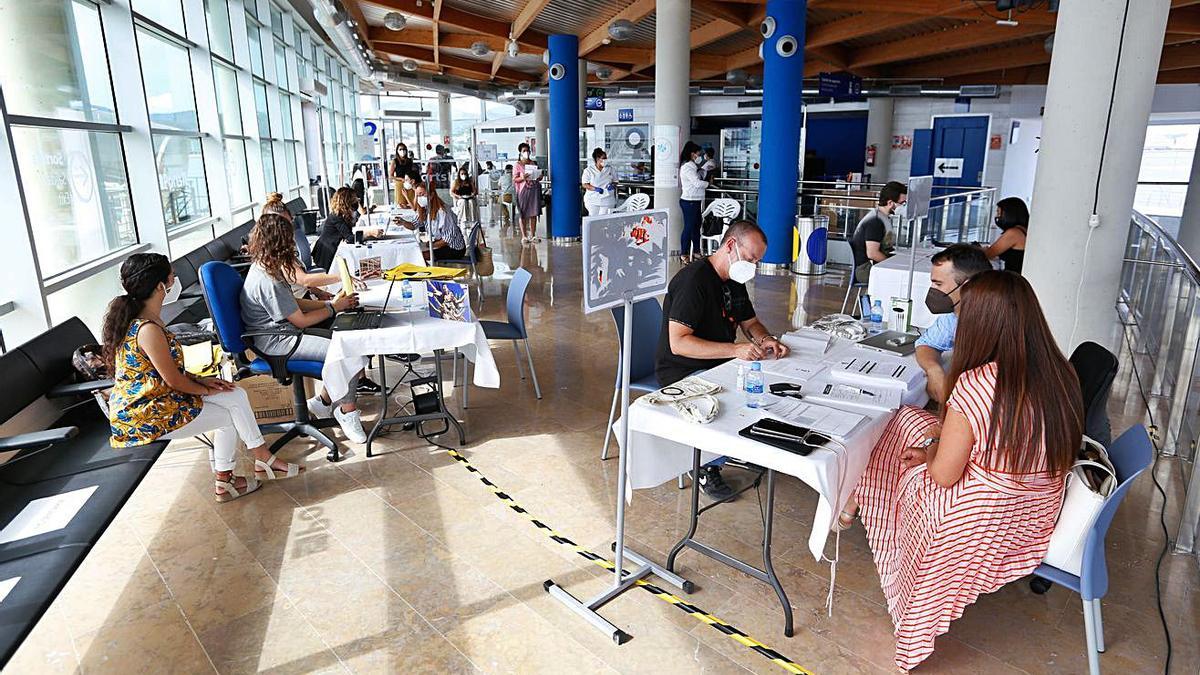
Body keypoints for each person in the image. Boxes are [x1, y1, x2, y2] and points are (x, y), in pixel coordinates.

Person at [839, 270, 1082, 671]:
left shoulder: (978, 382)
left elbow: (944, 477)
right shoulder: (1061, 372)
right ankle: (854, 503)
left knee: (900, 445)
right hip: (1034, 511)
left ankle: (861, 507)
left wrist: (933, 448)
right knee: (909, 422)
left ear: (981, 322)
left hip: (981, 518)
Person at [103, 253, 303, 503]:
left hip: (157, 402)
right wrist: (207, 390)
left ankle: (248, 467)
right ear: (160, 286)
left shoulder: (145, 321)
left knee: (234, 394)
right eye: (171, 275)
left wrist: (203, 380)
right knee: (230, 412)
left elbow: (162, 372)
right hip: (143, 416)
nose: (174, 278)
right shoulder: (147, 329)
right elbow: (173, 380)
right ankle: (240, 472)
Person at [655, 221, 791, 499]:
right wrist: (734, 350)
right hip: (683, 370)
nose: (752, 266)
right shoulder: (693, 281)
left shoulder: (733, 280)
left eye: (757, 261)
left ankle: (736, 446)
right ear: (730, 246)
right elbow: (678, 343)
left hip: (718, 363)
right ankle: (706, 467)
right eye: (751, 258)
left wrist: (765, 340)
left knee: (763, 384)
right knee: (731, 397)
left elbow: (750, 322)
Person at [241, 213, 370, 443]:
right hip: (277, 342)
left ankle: (322, 402)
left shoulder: (265, 267)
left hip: (283, 333)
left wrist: (330, 303)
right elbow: (300, 320)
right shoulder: (267, 280)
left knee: (347, 340)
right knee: (346, 350)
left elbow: (292, 304)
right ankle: (346, 412)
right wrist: (333, 308)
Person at [913, 244, 992, 403]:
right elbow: (927, 344)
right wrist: (933, 369)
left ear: (967, 286)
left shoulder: (997, 320)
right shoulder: (952, 316)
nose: (932, 289)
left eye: (938, 284)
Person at [310, 187, 382, 272]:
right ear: (347, 201)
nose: (357, 201)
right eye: (354, 199)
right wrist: (368, 233)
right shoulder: (336, 217)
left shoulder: (343, 215)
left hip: (332, 248)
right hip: (327, 254)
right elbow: (350, 238)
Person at [850, 180, 906, 283]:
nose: (903, 206)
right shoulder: (875, 221)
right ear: (890, 203)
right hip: (864, 270)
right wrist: (892, 265)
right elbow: (872, 253)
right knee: (902, 278)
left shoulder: (882, 217)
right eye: (902, 203)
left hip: (870, 266)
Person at [399, 183, 467, 262]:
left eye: (422, 194)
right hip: (440, 244)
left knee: (419, 256)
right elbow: (413, 225)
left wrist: (431, 245)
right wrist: (403, 222)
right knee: (415, 252)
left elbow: (447, 239)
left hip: (454, 248)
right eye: (417, 195)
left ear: (431, 195)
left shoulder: (443, 212)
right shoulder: (425, 209)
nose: (419, 198)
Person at [678, 140, 709, 263]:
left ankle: (696, 251)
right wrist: (708, 184)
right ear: (692, 154)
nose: (699, 156)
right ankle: (684, 253)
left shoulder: (692, 166)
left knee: (696, 227)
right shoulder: (687, 167)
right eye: (698, 153)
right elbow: (696, 183)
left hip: (695, 200)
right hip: (689, 201)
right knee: (689, 227)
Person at [984, 196, 1028, 274]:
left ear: (1009, 214)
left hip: (1013, 278)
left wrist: (981, 250)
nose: (997, 217)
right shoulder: (1023, 230)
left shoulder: (1014, 233)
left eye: (999, 213)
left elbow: (989, 254)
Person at [513, 142, 543, 244]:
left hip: (534, 190)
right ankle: (524, 236)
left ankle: (533, 235)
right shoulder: (517, 165)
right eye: (524, 151)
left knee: (533, 213)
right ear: (520, 152)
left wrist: (539, 176)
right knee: (523, 214)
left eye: (527, 150)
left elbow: (539, 175)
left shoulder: (533, 163)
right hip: (523, 191)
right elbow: (515, 179)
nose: (526, 152)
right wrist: (522, 177)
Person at [581, 147, 617, 216]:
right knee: (593, 218)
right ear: (597, 159)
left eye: (606, 158)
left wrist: (612, 185)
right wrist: (595, 189)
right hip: (592, 199)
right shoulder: (588, 170)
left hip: (607, 199)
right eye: (604, 158)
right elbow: (584, 184)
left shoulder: (610, 169)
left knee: (603, 219)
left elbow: (615, 181)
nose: (605, 160)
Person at [391, 143, 418, 207]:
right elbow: (390, 176)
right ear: (397, 151)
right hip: (400, 182)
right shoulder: (395, 161)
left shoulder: (409, 161)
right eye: (400, 149)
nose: (402, 151)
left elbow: (412, 172)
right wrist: (401, 179)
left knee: (412, 203)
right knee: (402, 204)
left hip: (409, 182)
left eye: (404, 149)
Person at [498, 164, 515, 231]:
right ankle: (512, 216)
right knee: (513, 205)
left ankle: (506, 215)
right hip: (513, 197)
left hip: (505, 197)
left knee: (500, 201)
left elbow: (499, 186)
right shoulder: (514, 177)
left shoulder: (502, 177)